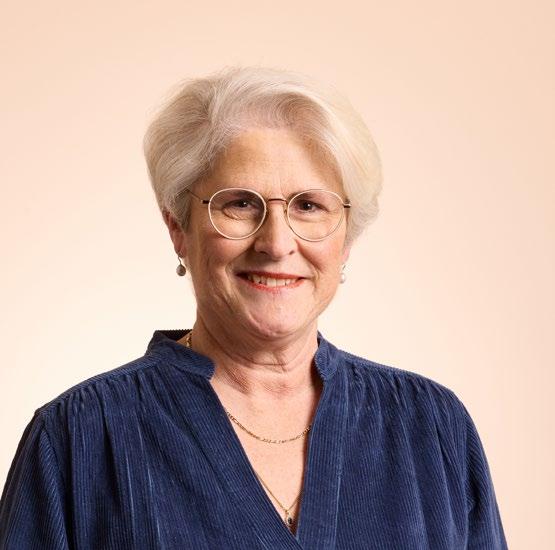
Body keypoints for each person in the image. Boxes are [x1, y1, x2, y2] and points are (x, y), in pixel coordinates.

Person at [0, 66, 508, 549]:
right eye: (241, 203)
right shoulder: (77, 440)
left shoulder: (432, 428)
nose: (277, 243)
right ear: (178, 228)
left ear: (346, 239)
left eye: (309, 206)